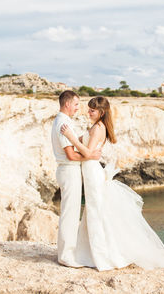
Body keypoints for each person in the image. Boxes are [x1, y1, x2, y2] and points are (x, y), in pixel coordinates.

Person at [60, 96, 164, 271]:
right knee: (94, 210)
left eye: (92, 109)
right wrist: (70, 140)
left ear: (101, 112)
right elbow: (86, 149)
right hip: (90, 171)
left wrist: (71, 136)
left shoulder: (99, 128)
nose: (89, 111)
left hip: (93, 173)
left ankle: (104, 254)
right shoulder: (95, 126)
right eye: (89, 108)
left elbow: (87, 152)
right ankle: (91, 251)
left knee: (96, 211)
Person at [51, 90, 101, 268]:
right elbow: (71, 156)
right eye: (76, 104)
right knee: (69, 214)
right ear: (67, 104)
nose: (78, 108)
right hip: (69, 169)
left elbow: (73, 146)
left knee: (70, 213)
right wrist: (90, 157)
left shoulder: (63, 121)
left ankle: (66, 252)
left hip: (68, 170)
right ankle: (65, 256)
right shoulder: (63, 123)